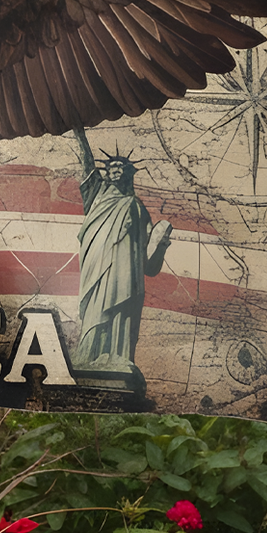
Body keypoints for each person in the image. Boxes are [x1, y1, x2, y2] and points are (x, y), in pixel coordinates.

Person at [71, 127, 171, 391]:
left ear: (129, 175)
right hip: (97, 264)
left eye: (121, 167)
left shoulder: (137, 208)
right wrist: (80, 135)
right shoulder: (96, 196)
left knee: (122, 310)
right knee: (95, 308)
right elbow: (87, 165)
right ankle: (89, 355)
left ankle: (118, 357)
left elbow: (149, 266)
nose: (115, 170)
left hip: (127, 273)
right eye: (112, 167)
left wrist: (161, 246)